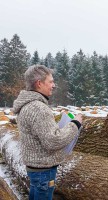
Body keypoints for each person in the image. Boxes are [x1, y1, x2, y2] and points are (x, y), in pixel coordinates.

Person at [13, 65, 83, 200]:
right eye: (50, 81)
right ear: (39, 83)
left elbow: (41, 134)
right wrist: (75, 124)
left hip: (36, 170)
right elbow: (53, 141)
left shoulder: (28, 105)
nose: (54, 85)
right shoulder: (39, 108)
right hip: (44, 172)